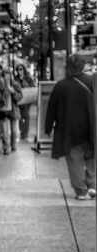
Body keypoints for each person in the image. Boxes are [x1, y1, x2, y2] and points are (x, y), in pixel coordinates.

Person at [45, 54, 96, 200]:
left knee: (74, 160)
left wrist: (48, 128)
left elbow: (51, 108)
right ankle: (92, 185)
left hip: (69, 130)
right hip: (91, 127)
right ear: (82, 66)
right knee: (92, 157)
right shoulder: (92, 81)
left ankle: (81, 191)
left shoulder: (61, 85)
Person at [14, 64, 35, 141]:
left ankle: (25, 133)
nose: (20, 71)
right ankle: (22, 131)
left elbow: (32, 87)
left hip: (26, 100)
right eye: (18, 69)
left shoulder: (28, 78)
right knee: (20, 116)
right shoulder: (15, 79)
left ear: (24, 70)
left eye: (21, 69)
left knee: (26, 116)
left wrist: (26, 85)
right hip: (19, 99)